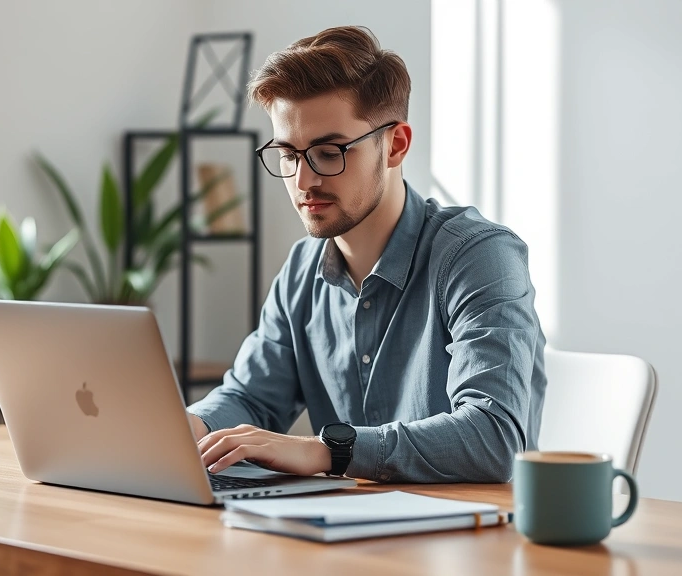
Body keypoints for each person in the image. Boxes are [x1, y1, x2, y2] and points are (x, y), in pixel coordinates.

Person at [187, 26, 546, 483]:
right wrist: (186, 428)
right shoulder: (302, 270)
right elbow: (251, 398)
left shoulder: (478, 258)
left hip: (468, 540)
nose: (303, 182)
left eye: (329, 151)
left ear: (395, 144)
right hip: (345, 531)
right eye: (290, 155)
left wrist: (327, 451)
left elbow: (494, 438)